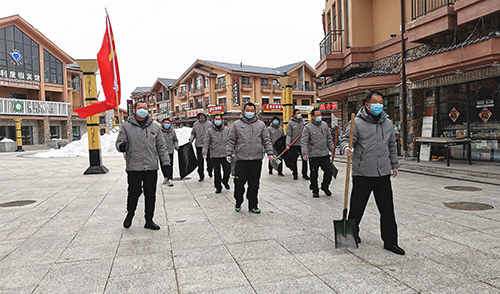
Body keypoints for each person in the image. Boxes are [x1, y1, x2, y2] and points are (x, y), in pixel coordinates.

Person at [340, 91, 404, 255]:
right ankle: (351, 234)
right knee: (357, 208)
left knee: (387, 209)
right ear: (367, 105)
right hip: (362, 173)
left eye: (381, 102)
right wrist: (346, 148)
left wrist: (394, 165)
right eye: (375, 102)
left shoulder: (388, 123)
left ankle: (390, 242)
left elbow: (392, 146)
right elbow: (346, 140)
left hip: (383, 173)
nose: (378, 105)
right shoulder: (357, 122)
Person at [116, 101, 170, 230]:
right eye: (140, 108)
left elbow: (161, 147)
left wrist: (166, 163)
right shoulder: (125, 127)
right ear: (134, 110)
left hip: (151, 167)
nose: (142, 110)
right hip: (134, 167)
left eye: (145, 108)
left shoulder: (155, 127)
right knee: (133, 193)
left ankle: (149, 220)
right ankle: (130, 214)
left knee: (150, 194)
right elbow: (118, 144)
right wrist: (121, 146)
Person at [226, 102, 274, 213]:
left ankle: (253, 205)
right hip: (241, 160)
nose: (250, 112)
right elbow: (231, 140)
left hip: (256, 159)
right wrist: (229, 153)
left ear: (255, 112)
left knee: (254, 184)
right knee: (239, 183)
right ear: (243, 111)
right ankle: (238, 201)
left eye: (252, 110)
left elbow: (266, 140)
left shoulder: (261, 125)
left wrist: (270, 153)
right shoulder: (236, 125)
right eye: (248, 110)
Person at [301, 108, 334, 198]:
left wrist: (332, 150)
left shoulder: (324, 125)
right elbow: (304, 141)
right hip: (313, 155)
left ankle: (325, 186)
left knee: (329, 171)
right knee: (314, 174)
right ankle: (315, 190)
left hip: (324, 153)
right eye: (317, 115)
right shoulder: (307, 127)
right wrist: (305, 153)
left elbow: (329, 139)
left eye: (320, 115)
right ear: (312, 117)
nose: (319, 117)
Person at [203, 114, 231, 194]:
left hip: (225, 154)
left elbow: (231, 141)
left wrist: (232, 151)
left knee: (227, 169)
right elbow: (206, 142)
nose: (217, 120)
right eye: (216, 119)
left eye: (219, 119)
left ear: (222, 120)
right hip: (214, 155)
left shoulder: (227, 130)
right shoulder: (210, 131)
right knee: (216, 172)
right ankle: (218, 187)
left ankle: (225, 181)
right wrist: (204, 152)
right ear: (213, 120)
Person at [286, 109, 309, 180]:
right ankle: (295, 174)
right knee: (293, 160)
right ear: (294, 115)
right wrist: (288, 144)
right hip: (294, 144)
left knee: (304, 159)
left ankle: (305, 174)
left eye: (300, 113)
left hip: (302, 144)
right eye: (298, 113)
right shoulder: (290, 123)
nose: (299, 114)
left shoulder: (303, 123)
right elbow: (289, 135)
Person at [189, 109, 212, 182]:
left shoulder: (210, 124)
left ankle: (210, 170)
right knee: (200, 161)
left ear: (205, 116)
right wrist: (191, 139)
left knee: (209, 160)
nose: (201, 117)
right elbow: (193, 133)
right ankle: (201, 175)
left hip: (208, 145)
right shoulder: (195, 124)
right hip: (199, 145)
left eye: (203, 116)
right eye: (200, 116)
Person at [160, 118, 178, 187]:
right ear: (162, 124)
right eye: (165, 123)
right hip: (161, 151)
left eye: (168, 123)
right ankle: (165, 177)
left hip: (170, 151)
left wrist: (176, 146)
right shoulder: (159, 131)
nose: (166, 124)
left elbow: (175, 140)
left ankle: (170, 178)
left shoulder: (172, 131)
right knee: (163, 165)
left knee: (170, 165)